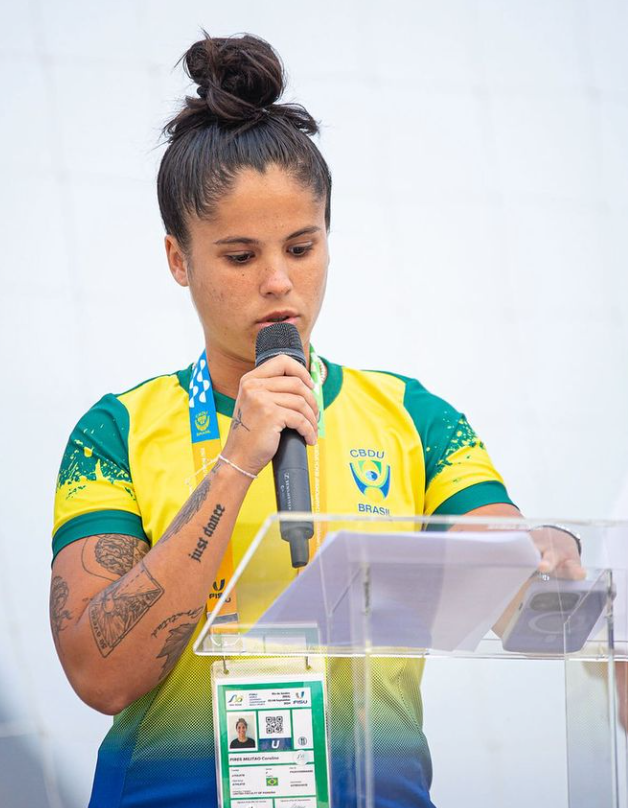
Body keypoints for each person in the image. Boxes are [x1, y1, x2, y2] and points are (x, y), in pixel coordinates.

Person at [49, 32, 583, 808]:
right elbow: (100, 673)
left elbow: (512, 587)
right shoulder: (116, 431)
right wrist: (237, 460)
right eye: (238, 257)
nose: (279, 282)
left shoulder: (412, 416)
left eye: (302, 246)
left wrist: (546, 554)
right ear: (177, 259)